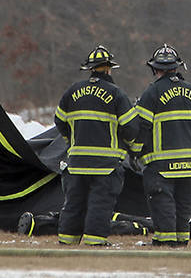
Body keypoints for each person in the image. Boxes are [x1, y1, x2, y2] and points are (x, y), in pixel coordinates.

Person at [53, 45, 138, 246]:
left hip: (76, 163)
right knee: (100, 204)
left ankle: (67, 242)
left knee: (73, 203)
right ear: (108, 69)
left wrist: (71, 141)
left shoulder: (72, 92)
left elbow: (59, 121)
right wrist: (130, 148)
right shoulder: (116, 94)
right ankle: (95, 242)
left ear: (90, 69)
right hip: (106, 165)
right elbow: (131, 128)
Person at [134, 44, 191, 248]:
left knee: (162, 202)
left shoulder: (151, 93)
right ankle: (182, 241)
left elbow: (141, 128)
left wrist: (135, 152)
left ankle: (165, 243)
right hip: (188, 164)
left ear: (155, 69)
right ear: (177, 67)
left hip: (161, 163)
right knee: (184, 204)